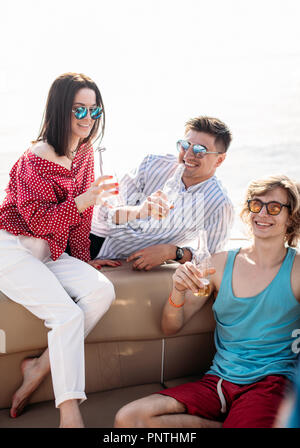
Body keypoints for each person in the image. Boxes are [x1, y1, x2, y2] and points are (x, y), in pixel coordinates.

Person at [114, 174, 300, 428]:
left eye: (275, 207)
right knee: (129, 419)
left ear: (291, 218)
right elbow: (171, 327)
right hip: (218, 383)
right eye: (256, 205)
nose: (263, 214)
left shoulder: (297, 271)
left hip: (272, 384)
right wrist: (178, 290)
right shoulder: (220, 264)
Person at [0, 73, 119, 428]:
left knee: (101, 290)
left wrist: (85, 263)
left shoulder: (83, 153)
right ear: (58, 109)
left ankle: (39, 366)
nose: (87, 118)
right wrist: (83, 200)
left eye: (93, 110)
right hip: (12, 248)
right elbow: (37, 223)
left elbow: (81, 221)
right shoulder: (33, 159)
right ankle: (69, 411)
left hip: (50, 250)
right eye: (78, 109)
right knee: (67, 316)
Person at [90, 116, 234, 270]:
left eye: (200, 150)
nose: (187, 155)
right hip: (85, 236)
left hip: (114, 260)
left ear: (219, 160)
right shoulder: (152, 164)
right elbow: (106, 214)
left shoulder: (219, 203)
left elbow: (213, 260)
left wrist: (173, 252)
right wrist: (139, 211)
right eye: (185, 145)